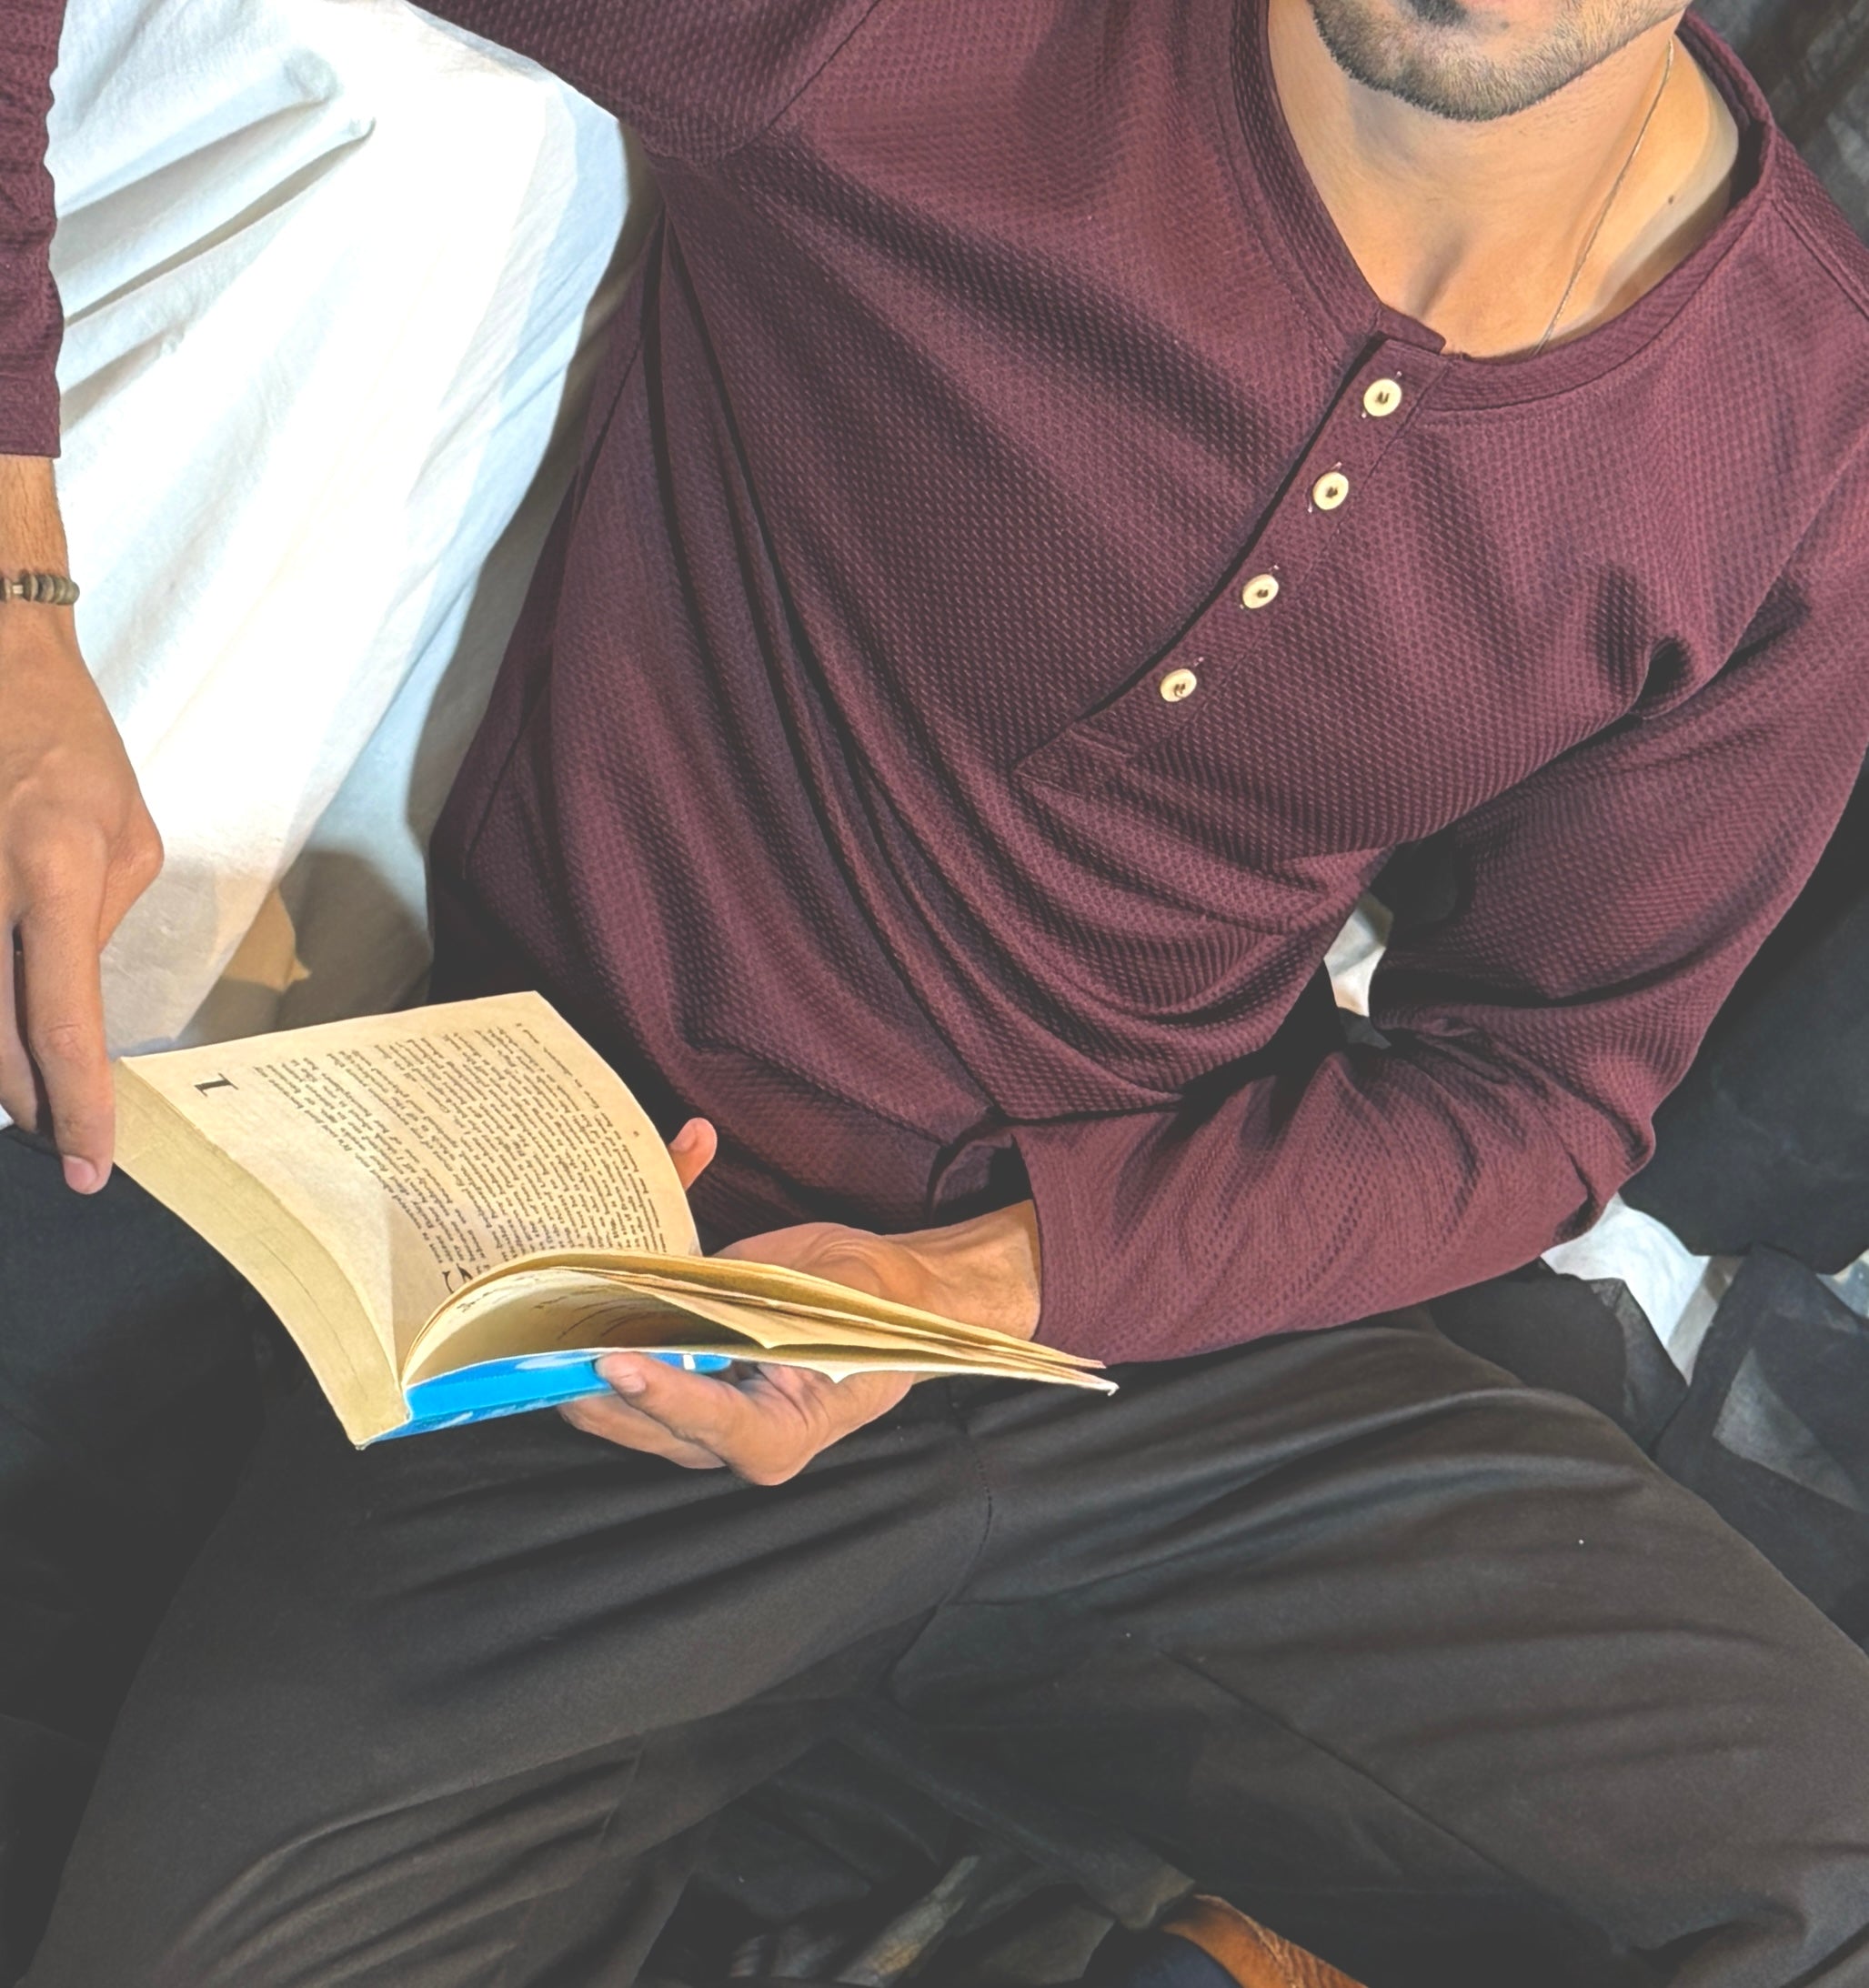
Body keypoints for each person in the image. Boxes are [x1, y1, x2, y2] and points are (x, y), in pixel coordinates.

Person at [1, 0, 1867, 1982]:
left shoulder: (1803, 439)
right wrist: (23, 597)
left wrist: (989, 1286)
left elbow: (1533, 1088)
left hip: (1164, 1337)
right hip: (623, 1303)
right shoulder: (920, 32)